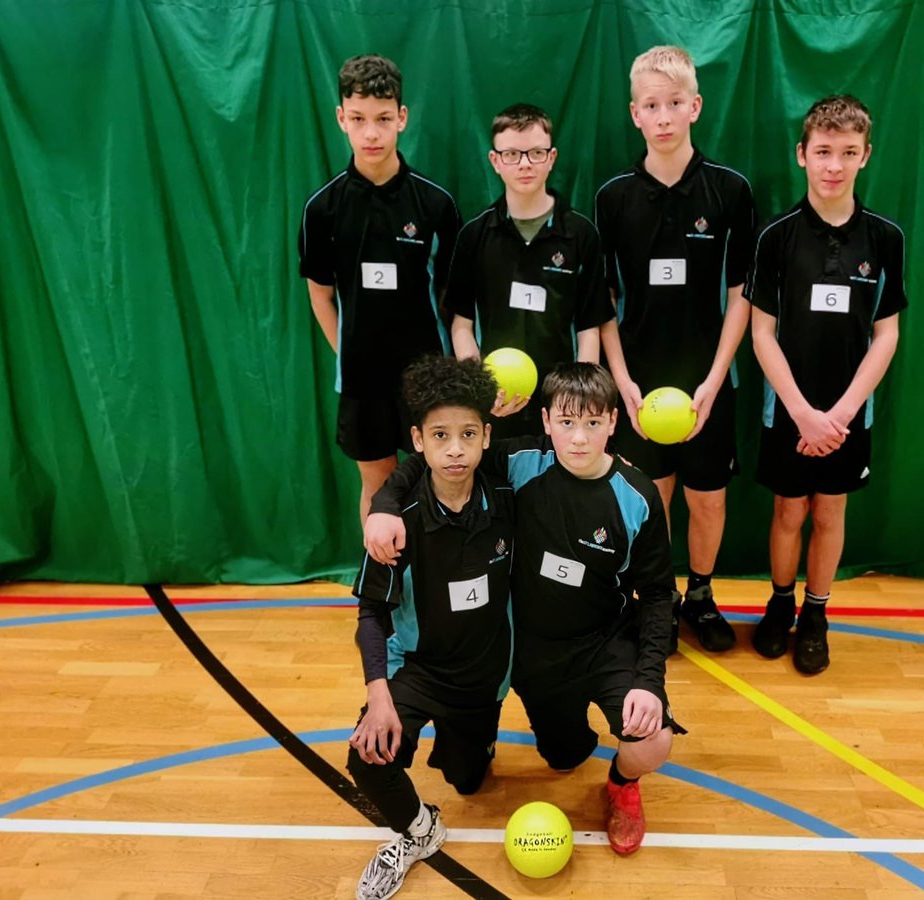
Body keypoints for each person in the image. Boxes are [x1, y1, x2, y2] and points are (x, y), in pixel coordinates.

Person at [366, 363, 682, 856]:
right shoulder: (521, 463)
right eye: (567, 423)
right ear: (547, 421)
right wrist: (384, 503)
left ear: (614, 423)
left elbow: (660, 594)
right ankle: (484, 740)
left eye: (593, 423)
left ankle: (622, 785)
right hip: (531, 654)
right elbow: (430, 457)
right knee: (561, 759)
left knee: (653, 739)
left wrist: (650, 682)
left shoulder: (638, 496)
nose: (579, 439)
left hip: (603, 643)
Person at [595, 45, 757, 654]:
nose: (663, 117)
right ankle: (654, 601)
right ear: (635, 114)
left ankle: (703, 596)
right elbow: (602, 301)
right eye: (650, 106)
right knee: (650, 499)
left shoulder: (730, 191)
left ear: (695, 107)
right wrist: (624, 382)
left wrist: (716, 379)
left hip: (707, 380)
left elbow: (742, 294)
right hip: (639, 381)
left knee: (707, 499)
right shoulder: (613, 198)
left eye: (674, 104)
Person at [748, 95, 907, 675]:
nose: (833, 165)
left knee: (830, 514)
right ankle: (781, 604)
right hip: (786, 413)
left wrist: (838, 414)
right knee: (788, 513)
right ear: (802, 156)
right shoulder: (777, 237)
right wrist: (802, 414)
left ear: (865, 156)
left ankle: (816, 614)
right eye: (822, 152)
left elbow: (886, 335)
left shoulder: (885, 238)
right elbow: (761, 334)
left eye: (847, 152)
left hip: (847, 418)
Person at [347, 355, 513, 900]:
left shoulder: (508, 497)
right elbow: (371, 613)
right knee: (367, 755)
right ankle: (418, 830)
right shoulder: (396, 523)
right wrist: (379, 695)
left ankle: (473, 746)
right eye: (440, 435)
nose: (456, 449)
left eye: (468, 434)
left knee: (469, 779)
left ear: (487, 436)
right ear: (418, 441)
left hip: (484, 676)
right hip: (417, 668)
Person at [298, 54, 461, 522]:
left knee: (438, 482)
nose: (371, 133)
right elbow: (320, 295)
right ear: (341, 119)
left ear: (402, 119)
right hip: (361, 380)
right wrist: (347, 356)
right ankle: (380, 592)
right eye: (359, 119)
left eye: (383, 119)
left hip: (429, 378)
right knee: (377, 485)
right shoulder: (322, 209)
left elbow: (455, 300)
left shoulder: (436, 204)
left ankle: (434, 591)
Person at [447, 103, 614, 439]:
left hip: (561, 407)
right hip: (497, 402)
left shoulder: (581, 234)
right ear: (495, 161)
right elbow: (461, 326)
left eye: (535, 153)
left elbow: (589, 327)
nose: (524, 164)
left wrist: (576, 400)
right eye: (511, 154)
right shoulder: (474, 235)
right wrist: (481, 387)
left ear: (551, 158)